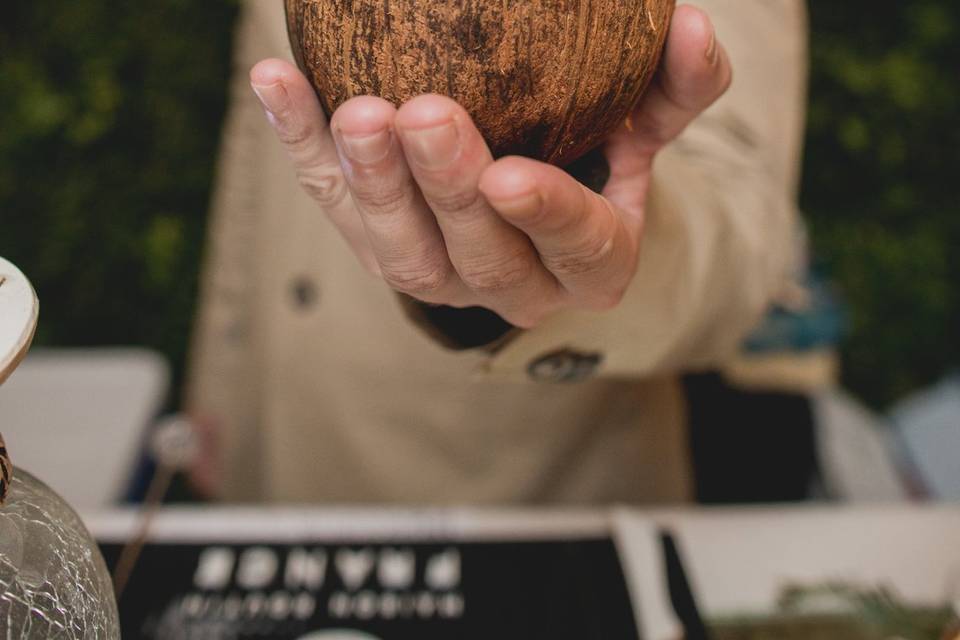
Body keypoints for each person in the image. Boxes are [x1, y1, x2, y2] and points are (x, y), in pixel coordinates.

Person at [186, 0, 810, 504]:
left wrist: (589, 248)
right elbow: (257, 141)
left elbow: (747, 225)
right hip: (276, 443)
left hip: (519, 484)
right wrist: (221, 378)